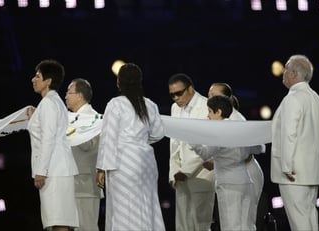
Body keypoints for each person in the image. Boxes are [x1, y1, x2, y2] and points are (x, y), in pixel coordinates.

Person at [95, 63, 165, 231]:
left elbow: (108, 137)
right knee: (147, 205)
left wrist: (101, 168)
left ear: (120, 82)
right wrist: (141, 142)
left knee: (124, 209)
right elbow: (159, 133)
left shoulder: (115, 104)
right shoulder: (150, 105)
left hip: (124, 162)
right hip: (146, 161)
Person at [190, 95, 263, 231]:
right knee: (246, 225)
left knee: (231, 226)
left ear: (218, 112)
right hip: (246, 181)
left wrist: (192, 141)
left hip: (228, 184)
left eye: (210, 112)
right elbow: (259, 148)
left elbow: (205, 154)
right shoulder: (241, 127)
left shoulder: (220, 131)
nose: (208, 116)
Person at [270, 54, 319, 231]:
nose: (283, 73)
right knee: (309, 218)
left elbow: (289, 134)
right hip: (311, 170)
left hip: (293, 172)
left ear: (294, 73)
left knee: (299, 223)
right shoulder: (316, 98)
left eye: (286, 69)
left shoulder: (293, 98)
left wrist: (286, 165)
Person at [26, 59, 79, 231]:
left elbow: (48, 138)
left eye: (37, 76)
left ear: (48, 81)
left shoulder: (49, 103)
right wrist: (35, 116)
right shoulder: (53, 102)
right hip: (58, 168)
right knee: (59, 220)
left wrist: (41, 171)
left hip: (54, 170)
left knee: (58, 220)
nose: (33, 79)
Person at [207, 82, 265, 231]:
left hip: (245, 170)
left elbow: (250, 150)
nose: (210, 98)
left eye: (214, 95)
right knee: (242, 224)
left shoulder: (233, 119)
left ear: (226, 98)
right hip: (241, 173)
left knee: (242, 223)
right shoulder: (223, 120)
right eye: (209, 95)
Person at [168, 73, 215, 231]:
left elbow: (206, 145)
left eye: (179, 93)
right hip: (180, 177)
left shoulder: (207, 106)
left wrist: (185, 171)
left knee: (201, 224)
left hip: (201, 174)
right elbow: (174, 144)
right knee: (182, 225)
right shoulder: (175, 108)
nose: (175, 98)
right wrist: (173, 172)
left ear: (190, 89)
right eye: (172, 95)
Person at [65, 78, 103, 231]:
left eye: (69, 92)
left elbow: (87, 145)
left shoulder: (93, 118)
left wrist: (68, 127)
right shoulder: (72, 118)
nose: (66, 96)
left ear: (79, 96)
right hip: (71, 184)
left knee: (87, 228)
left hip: (86, 185)